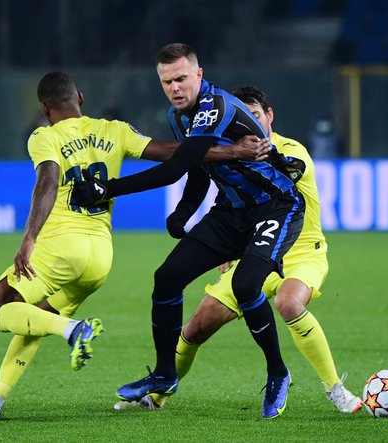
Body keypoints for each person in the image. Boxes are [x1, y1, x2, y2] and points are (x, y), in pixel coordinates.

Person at [0, 71, 267, 421]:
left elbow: (47, 181)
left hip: (61, 246)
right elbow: (174, 153)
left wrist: (29, 237)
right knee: (37, 317)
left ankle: (73, 329)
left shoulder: (44, 136)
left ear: (45, 108)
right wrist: (232, 150)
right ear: (81, 98)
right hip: (100, 257)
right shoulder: (114, 129)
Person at [73, 43, 306, 419]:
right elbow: (198, 168)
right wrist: (184, 211)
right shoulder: (179, 115)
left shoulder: (216, 106)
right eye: (167, 81)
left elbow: (175, 167)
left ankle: (278, 373)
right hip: (230, 212)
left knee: (246, 286)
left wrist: (108, 187)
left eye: (181, 78)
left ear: (199, 74)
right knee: (167, 278)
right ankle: (165, 373)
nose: (174, 88)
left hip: (276, 207)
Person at [114, 86, 363, 414]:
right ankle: (157, 396)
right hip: (251, 250)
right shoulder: (230, 151)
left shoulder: (291, 150)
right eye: (243, 119)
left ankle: (336, 389)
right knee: (196, 327)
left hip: (301, 254)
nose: (250, 125)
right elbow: (211, 183)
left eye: (256, 116)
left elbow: (291, 172)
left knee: (288, 303)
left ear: (269, 115)